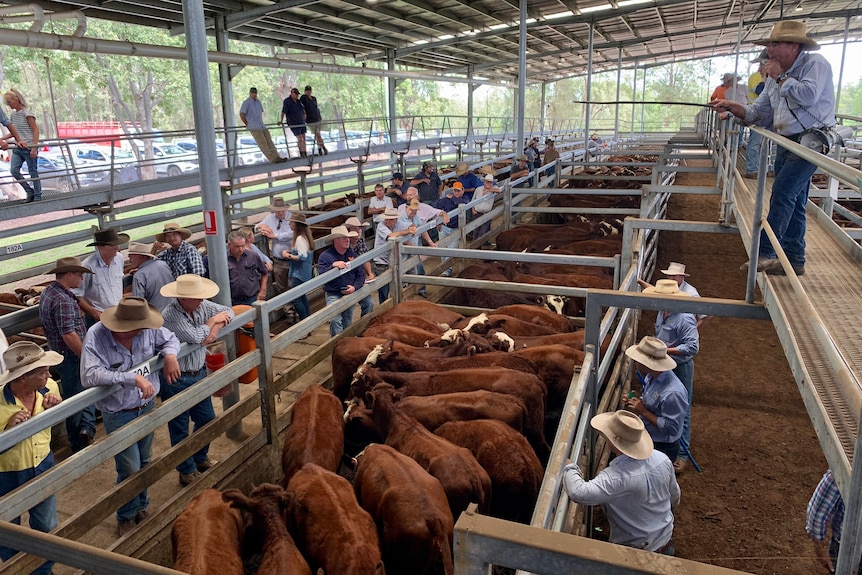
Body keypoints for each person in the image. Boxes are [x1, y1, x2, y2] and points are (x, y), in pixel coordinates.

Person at [711, 20, 835, 277]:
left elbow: (809, 95)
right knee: (796, 200)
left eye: (775, 44)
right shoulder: (773, 77)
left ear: (794, 46)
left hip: (812, 141)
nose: (770, 50)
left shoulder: (815, 64)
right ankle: (794, 257)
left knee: (783, 192)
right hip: (786, 141)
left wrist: (780, 77)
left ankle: (766, 253)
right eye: (769, 44)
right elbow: (760, 112)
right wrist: (735, 108)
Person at [81, 297, 181, 536]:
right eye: (138, 328)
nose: (143, 331)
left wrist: (170, 355)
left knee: (145, 460)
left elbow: (171, 338)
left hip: (145, 406)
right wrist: (130, 378)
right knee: (129, 466)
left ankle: (140, 507)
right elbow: (89, 374)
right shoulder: (97, 335)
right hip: (118, 412)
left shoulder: (147, 331)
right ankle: (126, 514)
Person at [563, 410, 680, 554]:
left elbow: (578, 492)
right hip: (665, 541)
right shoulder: (662, 459)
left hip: (636, 552)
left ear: (612, 441)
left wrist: (569, 467)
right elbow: (675, 495)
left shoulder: (615, 477)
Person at [160, 274, 233, 487]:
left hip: (197, 372)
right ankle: (186, 469)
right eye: (197, 297)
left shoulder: (200, 305)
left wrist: (216, 326)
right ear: (182, 298)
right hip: (177, 377)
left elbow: (227, 311)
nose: (202, 301)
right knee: (179, 426)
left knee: (207, 419)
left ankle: (199, 457)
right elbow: (195, 337)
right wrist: (211, 322)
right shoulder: (171, 315)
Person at [0, 342, 64, 574]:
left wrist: (54, 411)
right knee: (8, 529)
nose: (49, 375)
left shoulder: (49, 389)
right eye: (42, 371)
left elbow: (53, 426)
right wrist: (7, 430)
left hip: (43, 462)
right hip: (6, 473)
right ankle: (15, 569)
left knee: (46, 525)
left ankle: (42, 571)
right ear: (23, 378)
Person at [39, 256, 97, 452]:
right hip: (71, 355)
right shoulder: (64, 300)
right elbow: (69, 334)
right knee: (78, 397)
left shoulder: (49, 292)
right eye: (79, 274)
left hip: (60, 353)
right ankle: (79, 442)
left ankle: (84, 430)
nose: (81, 279)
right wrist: (85, 356)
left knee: (77, 394)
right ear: (69, 274)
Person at [641, 279, 698, 471]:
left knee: (681, 406)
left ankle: (681, 453)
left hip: (680, 366)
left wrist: (665, 351)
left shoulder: (684, 318)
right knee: (662, 400)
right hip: (662, 362)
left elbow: (693, 347)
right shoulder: (663, 312)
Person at [622, 335, 689, 464]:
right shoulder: (651, 377)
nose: (636, 362)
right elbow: (654, 404)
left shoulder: (673, 393)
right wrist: (638, 399)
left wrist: (643, 411)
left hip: (662, 447)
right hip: (650, 438)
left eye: (638, 359)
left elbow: (672, 428)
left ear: (648, 363)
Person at [806, 469, 862, 574]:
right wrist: (820, 549)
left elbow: (817, 513)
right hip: (847, 550)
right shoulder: (850, 468)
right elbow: (817, 513)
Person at [74, 228, 129, 327]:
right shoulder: (88, 266)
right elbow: (77, 295)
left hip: (118, 312)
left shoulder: (119, 258)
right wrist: (95, 314)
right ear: (101, 247)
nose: (116, 248)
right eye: (112, 245)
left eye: (117, 244)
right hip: (98, 316)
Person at [317, 225, 365, 336]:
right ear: (336, 240)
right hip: (333, 293)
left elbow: (360, 275)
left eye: (348, 237)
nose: (348, 240)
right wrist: (333, 266)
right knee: (334, 319)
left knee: (347, 321)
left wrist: (354, 287)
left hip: (349, 291)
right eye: (344, 238)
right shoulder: (325, 257)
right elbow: (322, 276)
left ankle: (345, 344)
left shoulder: (352, 254)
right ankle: (338, 344)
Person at [1, 89, 40, 203]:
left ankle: (38, 195)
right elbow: (14, 132)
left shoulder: (27, 113)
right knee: (14, 170)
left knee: (33, 172)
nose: (9, 105)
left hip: (28, 146)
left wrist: (34, 147)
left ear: (16, 100)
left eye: (10, 102)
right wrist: (2, 139)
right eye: (7, 103)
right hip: (18, 147)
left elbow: (35, 130)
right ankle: (29, 191)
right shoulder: (13, 115)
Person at [373, 207, 416, 303]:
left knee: (395, 286)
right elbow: (391, 236)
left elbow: (410, 224)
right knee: (384, 290)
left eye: (392, 219)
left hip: (392, 261)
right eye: (387, 219)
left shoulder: (398, 224)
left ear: (396, 220)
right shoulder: (381, 226)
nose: (389, 221)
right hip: (381, 262)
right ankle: (383, 308)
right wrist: (408, 231)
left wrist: (412, 227)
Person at [258, 197, 295, 297]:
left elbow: (293, 233)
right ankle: (289, 311)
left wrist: (276, 236)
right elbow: (257, 226)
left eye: (283, 210)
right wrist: (261, 226)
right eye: (278, 211)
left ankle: (296, 307)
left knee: (294, 284)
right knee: (282, 286)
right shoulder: (270, 218)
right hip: (279, 260)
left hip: (293, 257)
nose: (281, 213)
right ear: (274, 210)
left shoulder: (292, 217)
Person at [239, 87, 284, 164]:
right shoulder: (246, 102)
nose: (254, 94)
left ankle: (277, 156)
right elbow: (242, 113)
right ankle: (272, 159)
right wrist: (247, 123)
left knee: (269, 141)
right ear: (250, 93)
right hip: (254, 126)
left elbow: (260, 113)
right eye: (253, 93)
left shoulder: (258, 102)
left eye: (255, 93)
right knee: (262, 143)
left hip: (261, 125)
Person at [283, 211, 314, 320]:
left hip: (299, 274)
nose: (289, 224)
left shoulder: (300, 239)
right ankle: (308, 320)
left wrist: (289, 255)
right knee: (302, 297)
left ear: (296, 224)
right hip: (304, 273)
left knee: (296, 298)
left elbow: (302, 257)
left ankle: (304, 322)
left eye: (291, 222)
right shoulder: (305, 237)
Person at [745, 50, 770, 179]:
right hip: (757, 113)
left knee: (764, 143)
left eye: (762, 65)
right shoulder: (756, 76)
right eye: (761, 65)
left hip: (765, 115)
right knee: (755, 142)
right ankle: (752, 169)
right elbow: (760, 91)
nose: (760, 68)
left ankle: (765, 167)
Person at [226, 230, 269, 306]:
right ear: (229, 245)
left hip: (252, 298)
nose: (241, 249)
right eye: (237, 247)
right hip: (232, 300)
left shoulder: (252, 256)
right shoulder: (223, 259)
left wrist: (263, 290)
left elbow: (264, 272)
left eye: (242, 246)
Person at [129, 242, 174, 312]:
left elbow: (138, 303)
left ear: (140, 257)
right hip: (172, 310)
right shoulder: (163, 264)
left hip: (155, 316)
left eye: (131, 257)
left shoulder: (139, 276)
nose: (129, 261)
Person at [435, 183, 469, 275]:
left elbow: (462, 204)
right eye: (455, 191)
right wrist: (438, 222)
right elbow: (437, 209)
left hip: (456, 228)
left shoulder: (464, 199)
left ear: (463, 190)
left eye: (458, 190)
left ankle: (446, 270)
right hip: (445, 227)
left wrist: (452, 198)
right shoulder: (444, 200)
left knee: (451, 249)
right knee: (442, 248)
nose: (456, 192)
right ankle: (444, 268)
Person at [345, 216, 375, 317]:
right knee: (348, 310)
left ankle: (363, 326)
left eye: (360, 229)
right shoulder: (344, 245)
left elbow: (365, 258)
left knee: (369, 303)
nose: (358, 231)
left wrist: (369, 273)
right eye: (355, 229)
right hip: (346, 280)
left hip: (357, 278)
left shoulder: (360, 242)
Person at [279, 87, 307, 158]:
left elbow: (302, 109)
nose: (297, 96)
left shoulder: (298, 101)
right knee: (300, 138)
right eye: (296, 94)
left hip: (301, 121)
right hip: (293, 122)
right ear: (292, 94)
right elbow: (284, 111)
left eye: (297, 95)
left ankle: (304, 152)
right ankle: (301, 151)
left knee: (303, 137)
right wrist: (281, 120)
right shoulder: (287, 101)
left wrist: (304, 115)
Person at [299, 85, 327, 155]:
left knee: (318, 135)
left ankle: (319, 148)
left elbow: (315, 107)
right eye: (307, 90)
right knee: (317, 134)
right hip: (310, 120)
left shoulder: (314, 98)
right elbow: (301, 107)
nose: (308, 92)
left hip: (317, 118)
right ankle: (323, 147)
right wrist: (304, 115)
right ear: (305, 91)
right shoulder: (303, 98)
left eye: (309, 90)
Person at [472, 174, 500, 240]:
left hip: (486, 213)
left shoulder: (493, 189)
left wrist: (488, 190)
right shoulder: (478, 189)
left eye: (491, 182)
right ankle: (476, 248)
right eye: (487, 182)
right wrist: (473, 209)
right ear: (484, 182)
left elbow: (499, 190)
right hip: (477, 212)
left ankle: (477, 245)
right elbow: (473, 200)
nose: (489, 183)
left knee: (482, 232)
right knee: (476, 231)